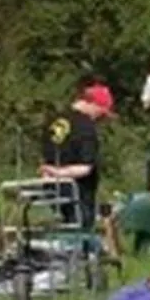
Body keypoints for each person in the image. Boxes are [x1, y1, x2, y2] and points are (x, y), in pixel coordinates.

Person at [40, 78, 115, 225]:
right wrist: (59, 173)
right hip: (77, 193)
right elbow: (85, 167)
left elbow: (46, 155)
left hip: (51, 189)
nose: (102, 119)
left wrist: (50, 173)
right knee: (79, 234)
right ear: (93, 104)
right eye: (102, 113)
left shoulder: (53, 121)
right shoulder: (86, 127)